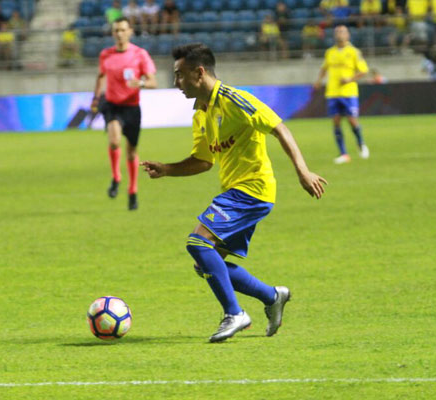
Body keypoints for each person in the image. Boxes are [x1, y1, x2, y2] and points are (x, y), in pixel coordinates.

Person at [141, 44, 327, 343]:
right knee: (205, 262)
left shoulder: (235, 100)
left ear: (199, 72)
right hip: (237, 191)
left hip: (252, 189)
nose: (175, 83)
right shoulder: (202, 114)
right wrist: (167, 168)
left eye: (179, 75)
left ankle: (235, 314)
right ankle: (272, 296)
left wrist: (303, 171)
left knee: (198, 242)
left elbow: (279, 128)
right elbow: (203, 161)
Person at [91, 17, 157, 210]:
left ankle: (132, 190)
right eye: (116, 30)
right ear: (113, 33)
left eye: (122, 30)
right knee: (114, 140)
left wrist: (141, 83)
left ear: (130, 32)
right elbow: (100, 76)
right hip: (112, 105)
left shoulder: (140, 54)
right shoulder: (106, 55)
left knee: (131, 153)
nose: (119, 34)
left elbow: (153, 82)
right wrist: (96, 98)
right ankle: (116, 176)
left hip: (132, 107)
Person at [314, 25, 369, 164]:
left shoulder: (354, 52)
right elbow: (324, 68)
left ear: (348, 35)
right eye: (337, 32)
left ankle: (361, 143)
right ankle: (344, 153)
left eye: (342, 32)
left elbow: (363, 70)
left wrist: (349, 79)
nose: (339, 34)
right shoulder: (329, 52)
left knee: (352, 120)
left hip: (348, 92)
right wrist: (318, 81)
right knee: (336, 122)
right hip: (332, 92)